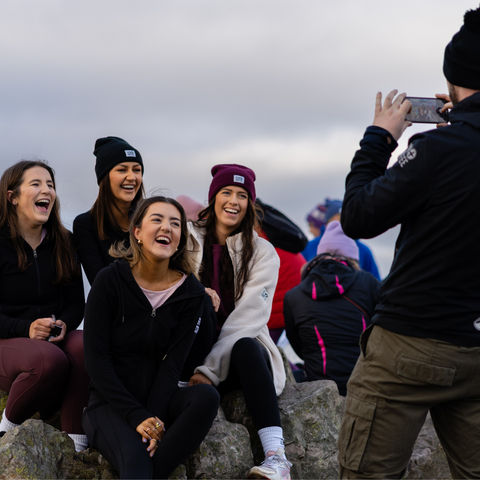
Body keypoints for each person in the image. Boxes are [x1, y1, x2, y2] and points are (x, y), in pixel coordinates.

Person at [337, 8, 480, 479]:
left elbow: (358, 216)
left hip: (410, 347)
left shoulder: (439, 150)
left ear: (454, 81)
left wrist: (380, 138)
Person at [83, 196, 220, 479]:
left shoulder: (191, 292)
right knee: (138, 465)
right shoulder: (109, 280)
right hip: (111, 404)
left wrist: (154, 422)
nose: (166, 228)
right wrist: (137, 416)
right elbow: (96, 359)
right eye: (156, 219)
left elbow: (173, 365)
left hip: (160, 402)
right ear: (137, 233)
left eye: (175, 223)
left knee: (206, 396)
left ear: (181, 237)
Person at [187, 164, 293, 480]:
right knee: (199, 301)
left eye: (242, 195)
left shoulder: (263, 251)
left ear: (250, 203)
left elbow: (250, 316)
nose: (234, 201)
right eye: (227, 192)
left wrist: (209, 370)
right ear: (213, 197)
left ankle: (276, 457)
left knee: (247, 346)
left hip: (233, 358)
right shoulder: (188, 239)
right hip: (190, 350)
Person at [0, 160, 88, 451]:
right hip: (8, 342)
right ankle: (5, 429)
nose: (46, 191)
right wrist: (26, 328)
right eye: (36, 184)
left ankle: (75, 439)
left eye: (50, 185)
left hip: (49, 339)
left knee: (87, 345)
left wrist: (63, 324)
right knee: (48, 360)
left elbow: (77, 302)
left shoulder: (65, 241)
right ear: (12, 197)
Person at [284, 221, 381, 394]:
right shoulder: (369, 283)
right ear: (353, 258)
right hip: (365, 383)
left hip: (318, 385)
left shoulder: (293, 295)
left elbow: (298, 344)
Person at [73, 136, 145, 285]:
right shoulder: (86, 225)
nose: (132, 177)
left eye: (137, 170)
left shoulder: (151, 219)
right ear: (105, 177)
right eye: (122, 170)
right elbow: (101, 284)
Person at [301, 199, 381, 280]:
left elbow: (375, 284)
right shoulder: (310, 246)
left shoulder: (364, 250)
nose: (344, 221)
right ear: (328, 221)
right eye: (339, 217)